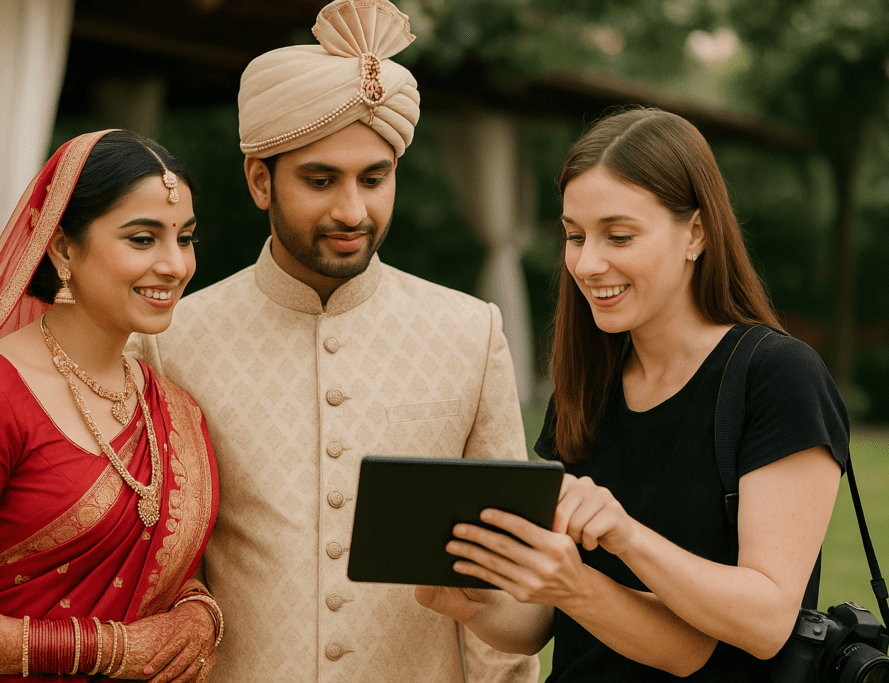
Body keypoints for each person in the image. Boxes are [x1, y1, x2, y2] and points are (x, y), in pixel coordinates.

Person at [124, 1, 538, 681]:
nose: (353, 210)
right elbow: (150, 568)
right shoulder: (173, 340)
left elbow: (498, 574)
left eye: (374, 179)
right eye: (321, 180)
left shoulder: (470, 331)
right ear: (261, 179)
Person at [415, 107, 849, 681]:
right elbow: (549, 618)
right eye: (574, 236)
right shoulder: (588, 384)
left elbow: (766, 619)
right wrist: (474, 602)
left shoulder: (776, 376)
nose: (588, 263)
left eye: (618, 235)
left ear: (696, 232)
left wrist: (622, 537)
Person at [0, 130, 224, 683]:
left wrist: (197, 613)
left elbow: (164, 567)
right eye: (142, 239)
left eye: (184, 238)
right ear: (64, 247)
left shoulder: (175, 408)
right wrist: (108, 650)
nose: (174, 265)